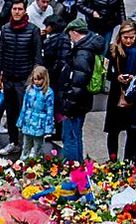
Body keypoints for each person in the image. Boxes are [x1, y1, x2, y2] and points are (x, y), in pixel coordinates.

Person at [0, 0, 42, 156]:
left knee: (28, 113)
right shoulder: (6, 29)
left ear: (24, 11)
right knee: (11, 112)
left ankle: (30, 146)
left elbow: (37, 57)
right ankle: (14, 142)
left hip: (25, 79)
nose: (16, 12)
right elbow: (0, 53)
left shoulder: (33, 30)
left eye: (19, 9)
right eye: (14, 9)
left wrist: (34, 79)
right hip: (8, 78)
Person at [59, 17, 104, 161]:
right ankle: (78, 168)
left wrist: (67, 106)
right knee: (76, 135)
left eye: (69, 34)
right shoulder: (89, 48)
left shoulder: (82, 54)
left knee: (70, 137)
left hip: (75, 103)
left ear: (74, 32)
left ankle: (72, 168)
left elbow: (77, 83)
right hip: (83, 102)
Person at [103, 20, 136, 159]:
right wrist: (117, 77)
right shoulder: (113, 51)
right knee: (113, 131)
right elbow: (107, 73)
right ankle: (113, 158)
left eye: (132, 37)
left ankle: (127, 160)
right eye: (126, 38)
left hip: (133, 95)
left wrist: (134, 78)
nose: (129, 41)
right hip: (116, 94)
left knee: (132, 131)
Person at [15, 65, 53, 159]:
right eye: (35, 79)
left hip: (39, 124)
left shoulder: (48, 92)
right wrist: (21, 121)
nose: (36, 82)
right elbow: (24, 107)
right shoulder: (29, 90)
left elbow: (50, 111)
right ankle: (23, 161)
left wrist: (48, 128)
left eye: (39, 79)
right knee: (26, 145)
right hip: (28, 122)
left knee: (38, 146)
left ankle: (37, 163)